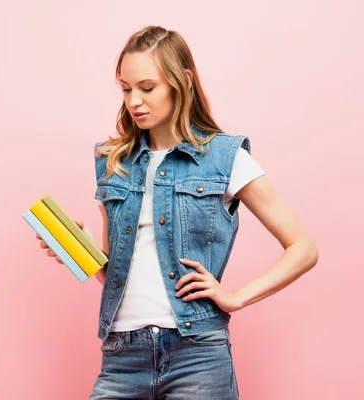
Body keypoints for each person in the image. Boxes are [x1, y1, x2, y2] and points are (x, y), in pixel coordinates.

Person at [35, 25, 318, 399]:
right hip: (122, 355)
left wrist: (236, 296)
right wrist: (77, 250)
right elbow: (116, 273)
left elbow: (303, 248)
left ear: (181, 82)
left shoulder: (225, 158)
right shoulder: (112, 161)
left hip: (197, 355)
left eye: (147, 88)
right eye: (125, 88)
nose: (134, 100)